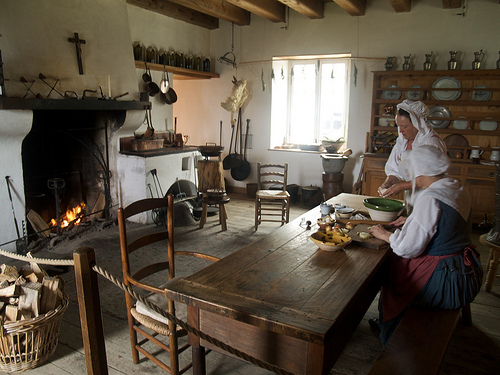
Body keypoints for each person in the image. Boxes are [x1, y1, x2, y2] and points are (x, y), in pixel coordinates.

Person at [369, 145, 483, 347]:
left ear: (420, 171)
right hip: (465, 272)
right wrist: (412, 221)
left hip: (444, 281)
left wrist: (385, 235)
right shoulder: (454, 187)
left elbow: (408, 247)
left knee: (391, 274)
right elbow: (446, 225)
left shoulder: (430, 199)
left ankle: (393, 338)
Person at [378, 100, 446, 199]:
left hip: (432, 198)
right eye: (399, 126)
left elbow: (430, 179)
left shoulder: (431, 142)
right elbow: (395, 171)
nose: (400, 130)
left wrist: (401, 186)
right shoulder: (402, 142)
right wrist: (387, 184)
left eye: (404, 126)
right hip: (413, 196)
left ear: (417, 123)